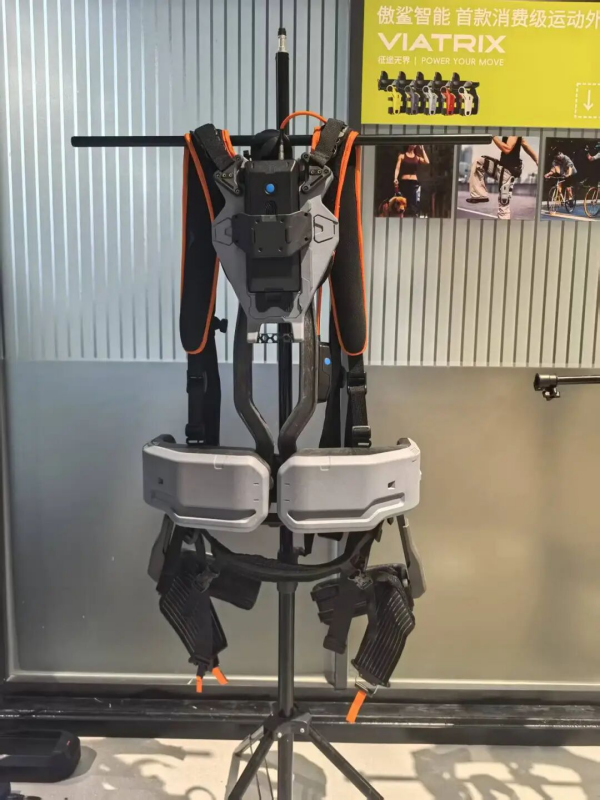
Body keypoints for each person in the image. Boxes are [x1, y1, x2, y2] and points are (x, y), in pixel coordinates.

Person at [467, 136, 538, 219]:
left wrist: (493, 136)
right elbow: (525, 145)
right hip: (500, 168)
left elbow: (507, 149)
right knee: (479, 162)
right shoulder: (517, 137)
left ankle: (503, 225)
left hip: (507, 172)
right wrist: (537, 159)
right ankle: (479, 195)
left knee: (503, 205)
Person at [393, 145, 429, 217]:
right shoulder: (402, 156)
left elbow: (427, 162)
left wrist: (422, 150)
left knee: (414, 204)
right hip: (404, 183)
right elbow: (397, 168)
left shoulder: (417, 157)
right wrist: (395, 178)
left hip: (414, 183)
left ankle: (413, 218)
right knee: (403, 203)